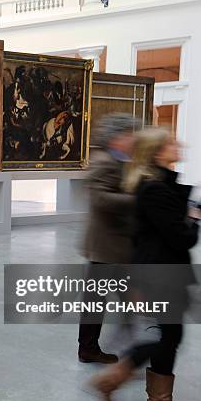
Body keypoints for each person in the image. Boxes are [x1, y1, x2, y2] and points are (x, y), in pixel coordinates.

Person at [90, 127, 201, 401]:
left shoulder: (161, 185)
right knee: (166, 338)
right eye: (173, 143)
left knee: (168, 337)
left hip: (163, 272)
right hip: (159, 274)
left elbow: (181, 221)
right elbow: (182, 236)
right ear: (158, 152)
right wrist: (197, 218)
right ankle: (126, 386)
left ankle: (148, 397)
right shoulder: (155, 188)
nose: (180, 145)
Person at [79, 113, 140, 364]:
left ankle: (92, 349)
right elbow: (100, 199)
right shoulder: (104, 161)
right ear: (116, 138)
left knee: (102, 300)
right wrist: (139, 200)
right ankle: (91, 350)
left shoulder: (121, 160)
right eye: (129, 134)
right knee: (99, 301)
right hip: (107, 246)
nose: (133, 139)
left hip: (114, 246)